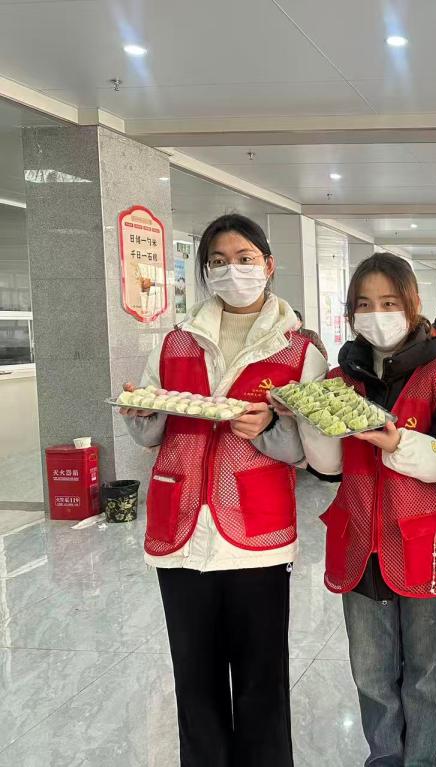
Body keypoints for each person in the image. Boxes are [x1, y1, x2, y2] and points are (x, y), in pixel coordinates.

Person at [119, 213, 328, 767]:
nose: (231, 270)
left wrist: (271, 427)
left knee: (262, 680)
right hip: (181, 527)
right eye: (217, 261)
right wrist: (140, 412)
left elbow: (309, 453)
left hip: (256, 530)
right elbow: (151, 431)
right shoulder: (175, 341)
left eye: (244, 259)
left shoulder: (299, 352)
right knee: (194, 679)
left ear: (268, 265)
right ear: (205, 271)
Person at [304, 252, 436, 766]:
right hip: (360, 541)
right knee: (372, 676)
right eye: (364, 304)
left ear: (413, 303)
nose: (377, 314)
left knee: (426, 675)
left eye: (389, 302)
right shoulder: (340, 377)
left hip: (427, 545)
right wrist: (309, 417)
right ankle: (383, 759)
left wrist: (399, 444)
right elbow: (329, 469)